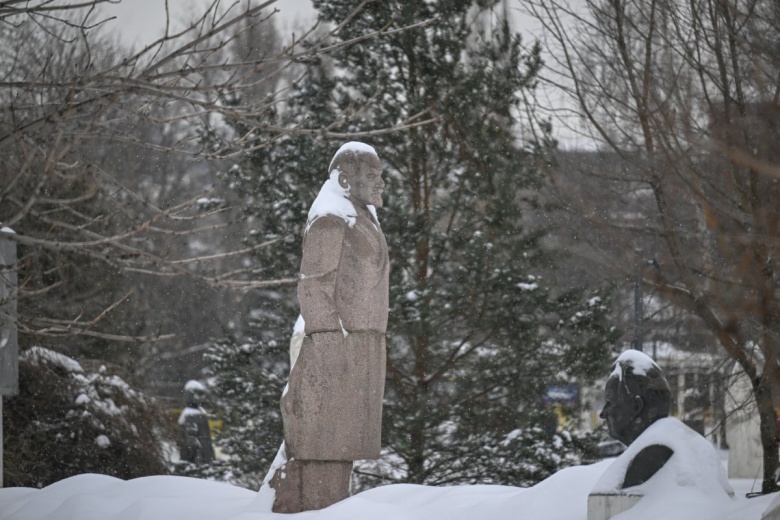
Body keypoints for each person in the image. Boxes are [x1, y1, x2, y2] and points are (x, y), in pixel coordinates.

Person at [269, 142, 389, 513]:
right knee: (325, 442)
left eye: (379, 175)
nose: (381, 183)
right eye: (371, 176)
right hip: (337, 344)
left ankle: (330, 509)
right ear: (344, 179)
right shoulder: (331, 218)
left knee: (342, 444)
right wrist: (328, 341)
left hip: (361, 342)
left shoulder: (359, 216)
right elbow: (314, 283)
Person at [594, 350, 732, 498]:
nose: (603, 413)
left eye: (610, 402)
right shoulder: (696, 445)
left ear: (636, 406)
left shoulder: (651, 456)